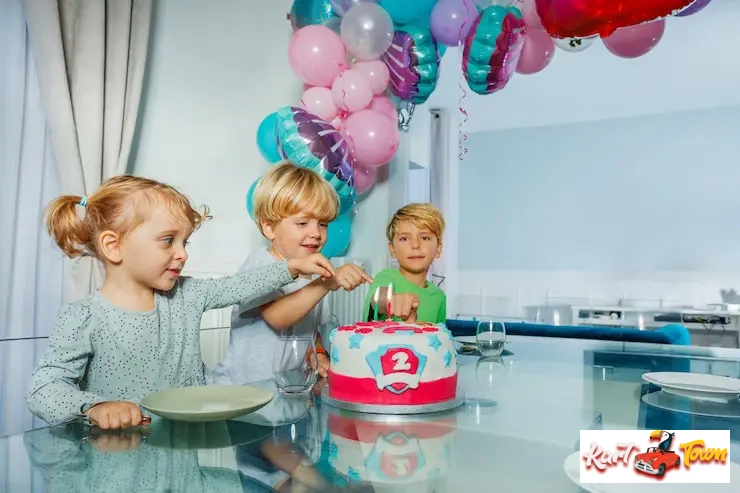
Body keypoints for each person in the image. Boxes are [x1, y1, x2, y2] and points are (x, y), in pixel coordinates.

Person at [26, 175, 336, 430]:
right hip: (117, 465)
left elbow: (238, 286)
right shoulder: (83, 317)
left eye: (184, 242)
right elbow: (43, 390)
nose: (183, 253)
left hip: (185, 454)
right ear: (113, 245)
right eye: (167, 240)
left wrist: (292, 267)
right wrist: (94, 407)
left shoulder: (187, 295)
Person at [211, 161, 372, 386]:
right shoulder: (261, 264)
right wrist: (326, 284)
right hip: (246, 395)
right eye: (303, 222)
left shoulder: (315, 274)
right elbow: (278, 317)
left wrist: (318, 355)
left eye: (323, 224)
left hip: (289, 391)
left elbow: (310, 327)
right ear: (269, 228)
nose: (316, 233)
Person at [363, 203, 446, 323]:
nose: (415, 245)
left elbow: (440, 337)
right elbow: (379, 298)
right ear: (392, 249)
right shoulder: (386, 277)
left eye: (425, 238)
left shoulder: (439, 296)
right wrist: (392, 299)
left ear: (438, 249)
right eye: (405, 239)